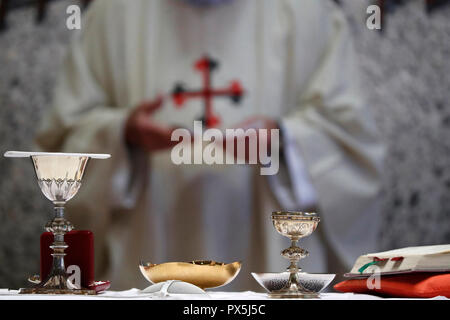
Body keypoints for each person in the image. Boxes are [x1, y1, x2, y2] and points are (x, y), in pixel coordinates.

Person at [36, 0, 384, 291]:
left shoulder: (309, 12)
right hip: (146, 250)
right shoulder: (113, 14)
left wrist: (284, 140)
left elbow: (352, 141)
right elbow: (62, 145)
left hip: (268, 254)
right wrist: (122, 134)